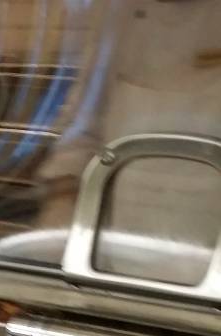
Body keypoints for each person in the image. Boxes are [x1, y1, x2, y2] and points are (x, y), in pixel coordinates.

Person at [34, 0, 221, 284]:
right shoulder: (117, 11)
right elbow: (84, 122)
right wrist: (61, 204)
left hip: (208, 257)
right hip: (116, 250)